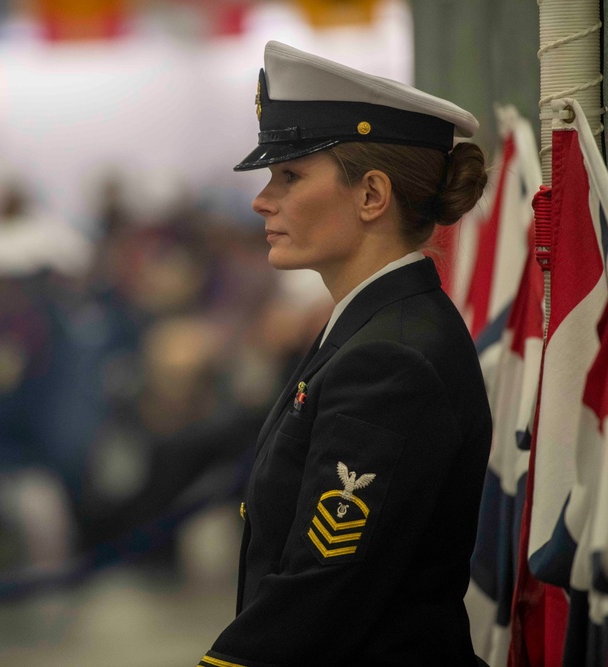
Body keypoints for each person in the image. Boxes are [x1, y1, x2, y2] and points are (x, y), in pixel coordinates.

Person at [198, 41, 492, 666]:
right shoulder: (374, 326)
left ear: (371, 196)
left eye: (290, 176)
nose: (262, 199)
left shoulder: (392, 357)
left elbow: (325, 589)